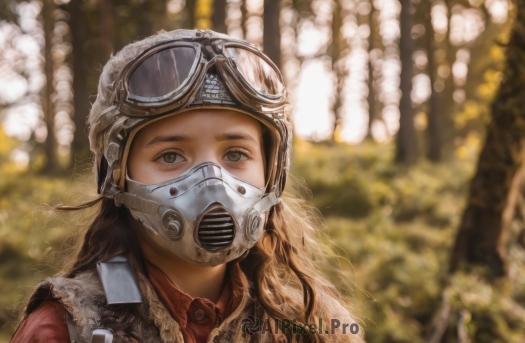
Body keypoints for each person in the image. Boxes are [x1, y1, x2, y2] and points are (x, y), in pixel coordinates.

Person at [10, 29, 364, 343]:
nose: (212, 182)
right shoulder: (63, 330)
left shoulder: (315, 328)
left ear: (272, 173)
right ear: (115, 174)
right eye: (170, 156)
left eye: (236, 153)